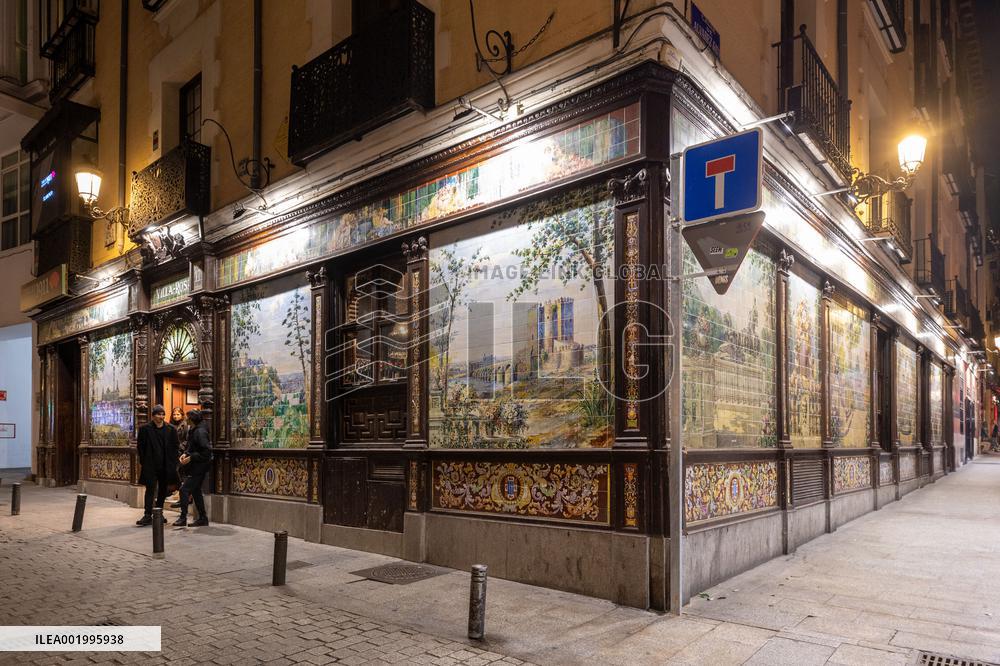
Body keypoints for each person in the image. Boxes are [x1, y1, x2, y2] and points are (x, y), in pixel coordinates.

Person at [136, 405, 179, 526]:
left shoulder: (171, 429)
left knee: (162, 490)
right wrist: (144, 462)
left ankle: (158, 513)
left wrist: (173, 462)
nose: (161, 417)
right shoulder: (145, 429)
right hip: (150, 464)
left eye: (163, 414)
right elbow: (141, 447)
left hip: (166, 465)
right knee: (150, 489)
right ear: (153, 415)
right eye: (158, 414)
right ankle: (147, 514)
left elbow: (175, 446)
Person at [174, 409, 212, 527]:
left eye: (188, 418)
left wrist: (190, 457)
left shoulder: (200, 432)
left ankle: (183, 517)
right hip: (197, 466)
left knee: (184, 490)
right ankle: (202, 518)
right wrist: (186, 454)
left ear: (191, 420)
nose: (186, 420)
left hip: (199, 467)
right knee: (195, 491)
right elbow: (192, 447)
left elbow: (206, 452)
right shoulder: (195, 430)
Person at [168, 407, 189, 508]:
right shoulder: (170, 425)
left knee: (182, 473)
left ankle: (183, 497)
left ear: (182, 415)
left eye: (178, 414)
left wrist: (180, 447)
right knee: (177, 474)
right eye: (174, 414)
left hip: (181, 453)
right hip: (173, 453)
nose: (176, 416)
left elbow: (186, 440)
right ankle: (179, 494)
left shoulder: (185, 425)